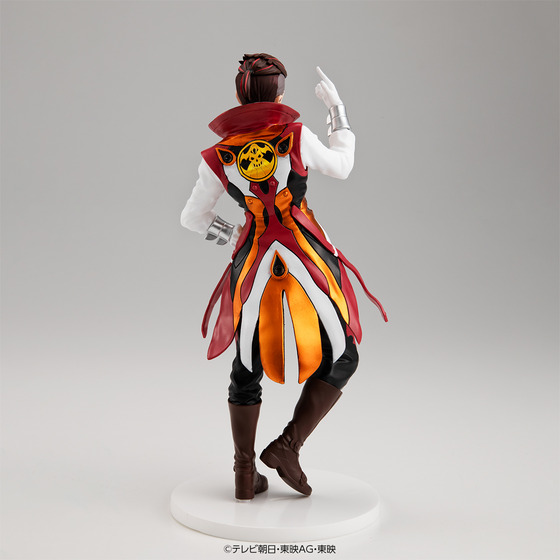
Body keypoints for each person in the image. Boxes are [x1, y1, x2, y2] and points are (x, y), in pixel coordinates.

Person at [181, 53, 387, 501]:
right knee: (343, 355)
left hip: (254, 265)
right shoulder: (294, 136)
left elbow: (192, 218)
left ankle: (244, 472)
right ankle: (287, 446)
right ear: (279, 94)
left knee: (246, 363)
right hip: (306, 260)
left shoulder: (219, 156)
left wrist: (234, 233)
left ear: (240, 94)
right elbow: (343, 166)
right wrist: (336, 110)